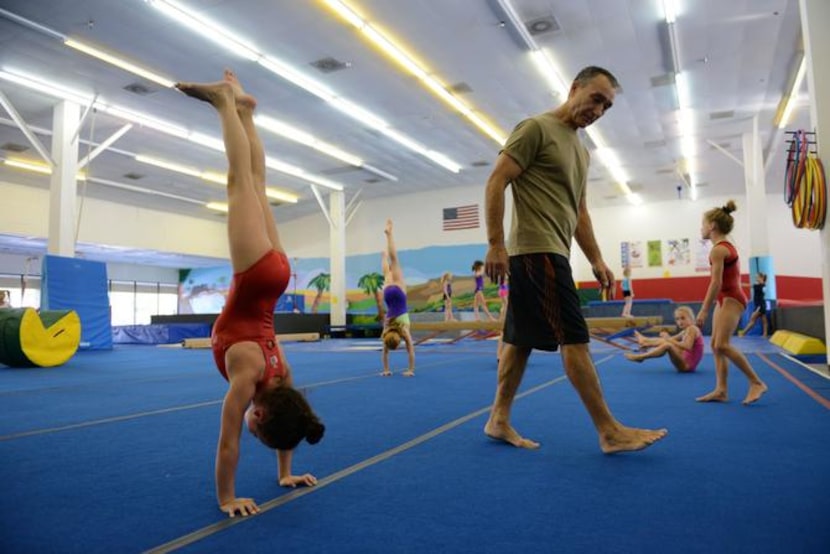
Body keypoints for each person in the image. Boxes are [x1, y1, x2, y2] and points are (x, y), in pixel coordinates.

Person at [482, 65, 667, 453]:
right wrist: (496, 243)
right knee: (575, 339)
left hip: (554, 251)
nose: (599, 110)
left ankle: (498, 419)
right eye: (596, 99)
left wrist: (597, 258)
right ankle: (609, 431)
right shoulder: (535, 128)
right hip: (536, 249)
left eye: (607, 106)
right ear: (574, 88)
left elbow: (579, 211)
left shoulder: (581, 151)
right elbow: (497, 179)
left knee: (518, 342)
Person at [176, 70, 324, 518]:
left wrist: (286, 473)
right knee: (239, 181)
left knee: (257, 184)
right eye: (258, 430)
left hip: (277, 276)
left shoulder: (283, 380)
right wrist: (227, 498)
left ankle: (246, 113)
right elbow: (228, 443)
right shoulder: (248, 377)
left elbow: (292, 423)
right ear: (258, 415)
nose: (251, 429)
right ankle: (225, 103)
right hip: (255, 276)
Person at [695, 200, 767, 404]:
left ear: (712, 226)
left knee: (722, 344)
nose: (701, 228)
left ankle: (756, 382)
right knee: (716, 346)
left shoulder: (718, 250)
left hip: (732, 299)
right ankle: (721, 390)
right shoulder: (722, 247)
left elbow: (715, 283)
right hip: (725, 299)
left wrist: (703, 310)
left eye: (703, 224)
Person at [381, 218, 415, 377]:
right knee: (387, 272)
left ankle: (389, 235)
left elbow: (411, 351)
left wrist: (410, 370)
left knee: (394, 261)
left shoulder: (403, 330)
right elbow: (385, 352)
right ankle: (383, 258)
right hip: (388, 294)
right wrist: (385, 370)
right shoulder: (386, 329)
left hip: (400, 295)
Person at [624, 306, 703, 372]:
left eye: (683, 318)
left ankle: (641, 357)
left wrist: (668, 338)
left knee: (668, 345)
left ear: (691, 318)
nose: (680, 322)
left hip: (686, 366)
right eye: (677, 319)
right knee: (666, 342)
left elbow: (687, 346)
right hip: (684, 360)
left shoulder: (692, 329)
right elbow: (669, 340)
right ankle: (645, 341)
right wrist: (651, 344)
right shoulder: (685, 331)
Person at [738, 272, 769, 337]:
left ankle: (743, 333)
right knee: (764, 320)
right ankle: (765, 334)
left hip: (759, 305)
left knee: (752, 320)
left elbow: (748, 285)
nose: (756, 278)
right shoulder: (763, 285)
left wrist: (739, 284)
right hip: (761, 304)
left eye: (757, 277)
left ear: (761, 278)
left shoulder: (758, 286)